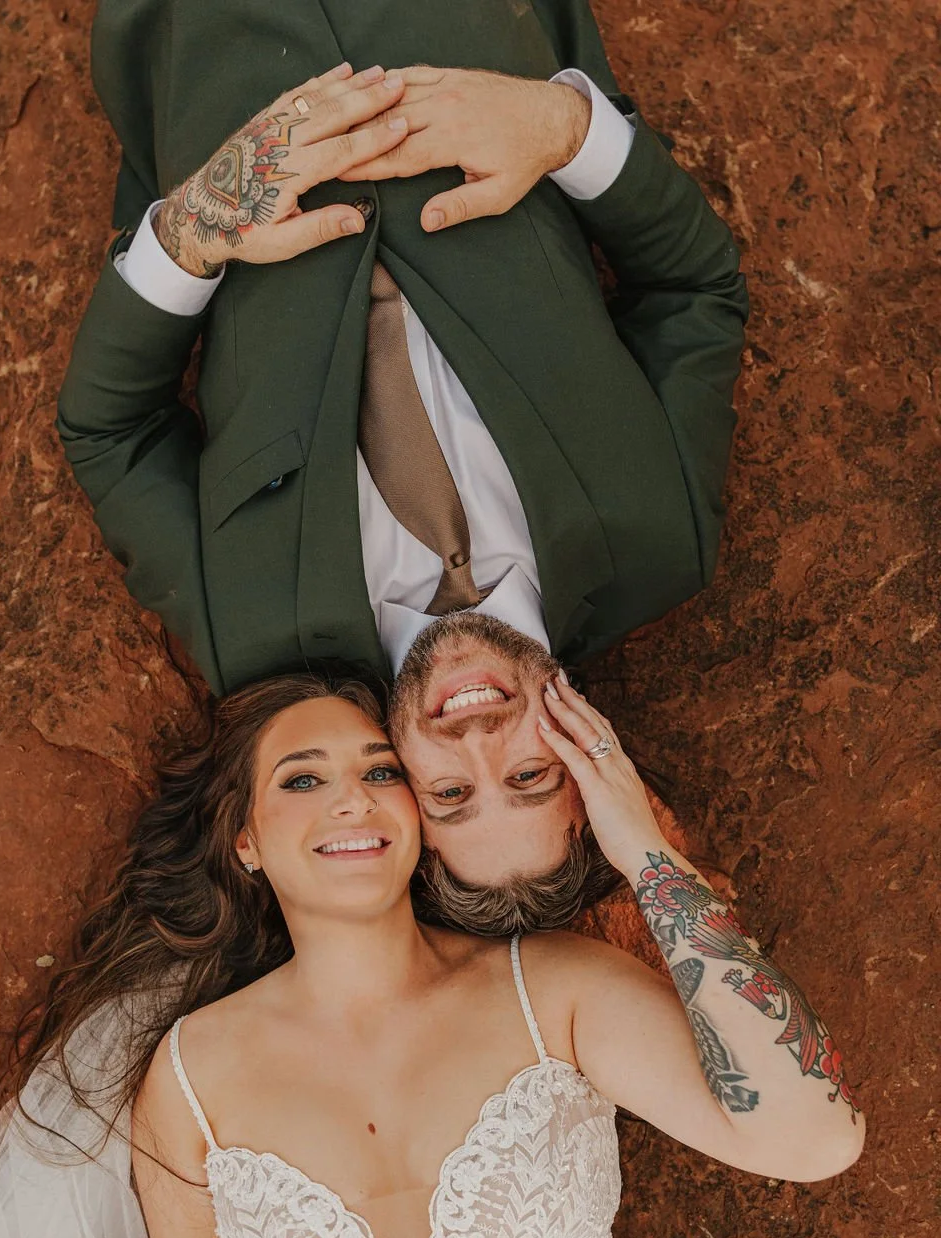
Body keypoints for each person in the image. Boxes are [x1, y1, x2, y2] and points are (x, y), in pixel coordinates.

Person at [0, 671, 862, 1238]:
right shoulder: (194, 1075)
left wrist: (641, 848)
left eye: (381, 771)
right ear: (245, 839)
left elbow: (816, 1135)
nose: (353, 798)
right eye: (303, 778)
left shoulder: (552, 990)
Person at [57, 0, 749, 911]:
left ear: (403, 795)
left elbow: (109, 433)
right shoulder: (662, 535)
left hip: (208, 41)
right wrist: (566, 129)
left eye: (451, 795)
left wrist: (200, 221)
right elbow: (696, 289)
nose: (479, 743)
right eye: (531, 776)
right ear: (591, 752)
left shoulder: (253, 635)